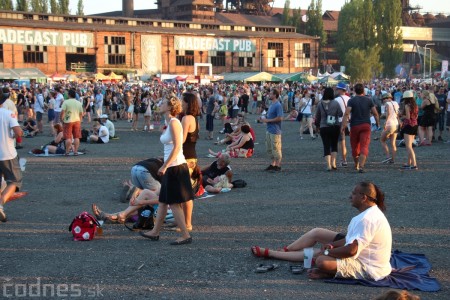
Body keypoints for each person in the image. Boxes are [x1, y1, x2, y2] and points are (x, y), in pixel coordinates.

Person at [251, 181, 392, 282]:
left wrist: (327, 252)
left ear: (363, 197)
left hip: (369, 268)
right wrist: (332, 246)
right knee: (317, 233)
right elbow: (350, 239)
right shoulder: (369, 213)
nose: (350, 196)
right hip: (363, 254)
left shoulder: (366, 219)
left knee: (321, 260)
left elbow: (351, 251)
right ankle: (286, 250)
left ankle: (274, 254)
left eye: (354, 193)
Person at [140, 96, 194, 245]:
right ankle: (155, 232)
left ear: (170, 107)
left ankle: (185, 235)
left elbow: (177, 147)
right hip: (172, 165)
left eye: (162, 102)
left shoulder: (175, 122)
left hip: (175, 166)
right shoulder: (168, 122)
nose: (160, 104)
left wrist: (164, 166)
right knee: (164, 201)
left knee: (174, 202)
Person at [341, 83, 379, 173]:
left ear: (354, 91)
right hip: (366, 125)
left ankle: (356, 165)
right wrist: (377, 123)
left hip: (354, 125)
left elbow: (347, 113)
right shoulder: (369, 100)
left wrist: (343, 125)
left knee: (354, 146)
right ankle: (361, 166)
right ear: (363, 90)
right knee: (364, 145)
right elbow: (375, 113)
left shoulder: (351, 100)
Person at [179, 92, 200, 232]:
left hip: (186, 157)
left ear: (188, 103)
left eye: (182, 101)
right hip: (190, 156)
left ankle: (187, 224)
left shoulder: (186, 118)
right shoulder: (193, 118)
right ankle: (182, 222)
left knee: (185, 192)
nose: (180, 103)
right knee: (181, 191)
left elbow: (181, 139)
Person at [0, 99, 23, 222]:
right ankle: (0, 205)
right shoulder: (8, 113)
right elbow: (18, 132)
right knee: (15, 181)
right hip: (6, 153)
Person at [314, 87, 343, 171]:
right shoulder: (336, 103)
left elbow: (317, 117)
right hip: (335, 126)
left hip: (324, 127)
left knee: (326, 146)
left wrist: (317, 126)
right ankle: (334, 163)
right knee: (334, 145)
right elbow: (340, 114)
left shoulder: (320, 104)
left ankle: (328, 165)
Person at [259, 88, 283, 172]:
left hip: (275, 130)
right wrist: (263, 118)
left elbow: (280, 118)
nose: (269, 95)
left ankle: (278, 165)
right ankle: (273, 163)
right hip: (269, 129)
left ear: (275, 95)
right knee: (269, 148)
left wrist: (268, 120)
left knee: (276, 148)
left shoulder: (278, 105)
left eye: (271, 94)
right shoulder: (272, 104)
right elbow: (269, 116)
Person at [60, 89, 83, 155]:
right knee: (76, 137)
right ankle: (75, 151)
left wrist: (61, 119)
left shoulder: (66, 102)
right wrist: (80, 120)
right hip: (77, 120)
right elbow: (81, 113)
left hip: (68, 121)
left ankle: (67, 151)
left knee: (68, 137)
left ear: (69, 95)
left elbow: (62, 112)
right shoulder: (79, 103)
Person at [399, 91, 418, 170]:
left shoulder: (407, 106)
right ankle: (409, 163)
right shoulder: (415, 105)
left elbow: (407, 117)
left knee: (408, 146)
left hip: (408, 126)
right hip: (415, 125)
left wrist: (401, 116)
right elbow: (415, 116)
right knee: (410, 146)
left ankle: (414, 165)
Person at [380, 93, 400, 164]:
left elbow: (387, 115)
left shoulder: (387, 104)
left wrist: (385, 123)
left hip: (390, 124)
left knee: (382, 140)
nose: (383, 101)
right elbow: (398, 114)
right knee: (393, 143)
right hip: (396, 123)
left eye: (383, 99)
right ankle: (393, 160)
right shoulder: (396, 103)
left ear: (387, 98)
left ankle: (388, 157)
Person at [335, 83, 350, 167]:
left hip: (340, 121)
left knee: (341, 142)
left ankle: (343, 160)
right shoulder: (349, 98)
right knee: (347, 142)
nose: (336, 90)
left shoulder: (337, 100)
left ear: (340, 90)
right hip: (349, 121)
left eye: (337, 89)